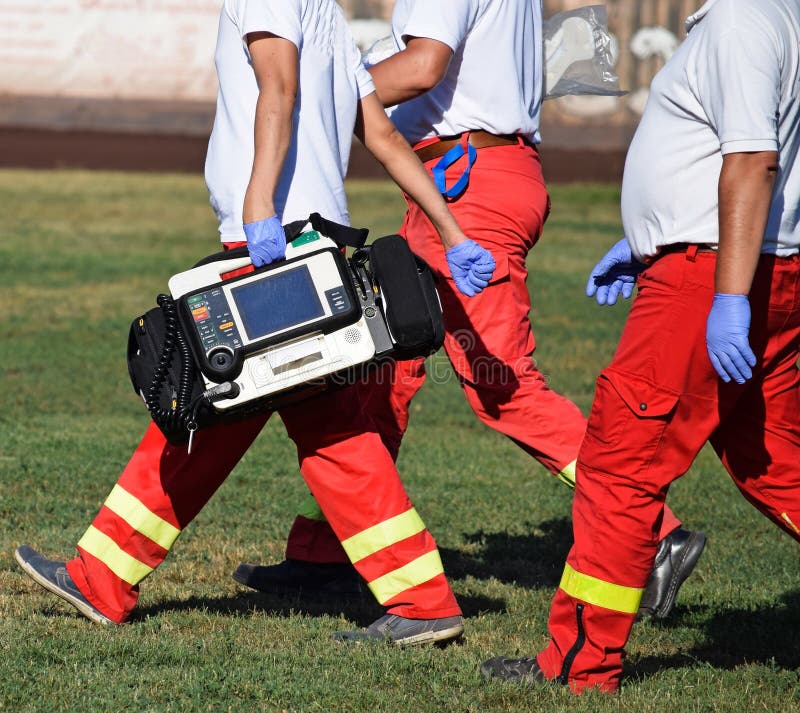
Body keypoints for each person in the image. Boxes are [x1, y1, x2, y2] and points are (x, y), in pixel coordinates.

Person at [14, 0, 499, 645]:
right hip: (311, 244)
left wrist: (258, 205)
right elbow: (380, 135)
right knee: (291, 427)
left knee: (208, 396)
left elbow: (279, 85)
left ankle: (102, 577)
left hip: (272, 243)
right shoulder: (326, 14)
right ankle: (104, 575)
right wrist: (452, 231)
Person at [235, 0, 705, 626]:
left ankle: (651, 528)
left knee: (503, 385)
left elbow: (424, 67)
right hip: (469, 173)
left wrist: (329, 83)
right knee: (381, 376)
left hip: (469, 181)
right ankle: (328, 554)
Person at [481, 0, 800, 693]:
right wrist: (652, 232)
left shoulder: (743, 18)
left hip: (713, 272)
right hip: (744, 260)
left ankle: (580, 664)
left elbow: (752, 159)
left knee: (620, 465)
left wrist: (723, 291)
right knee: (777, 463)